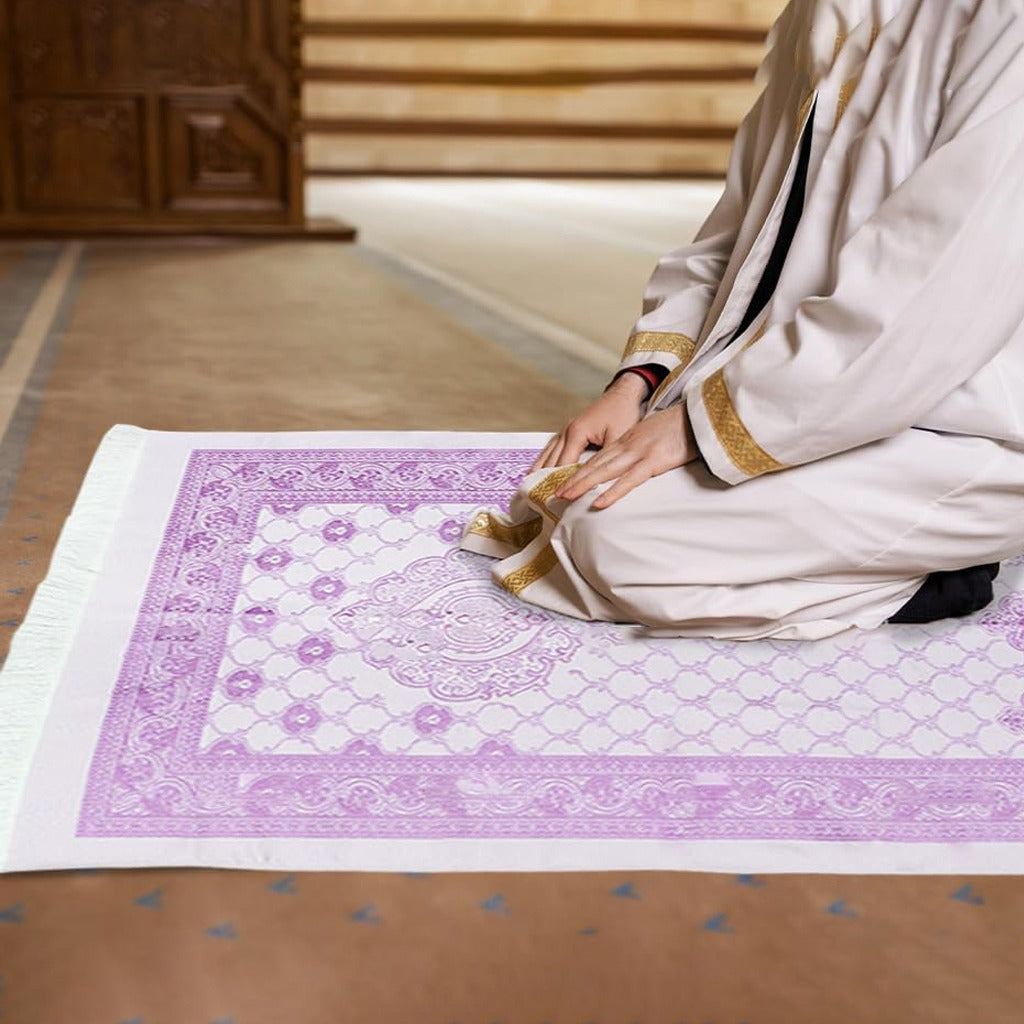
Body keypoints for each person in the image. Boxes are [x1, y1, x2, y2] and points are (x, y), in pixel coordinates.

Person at [461, 0, 1024, 641]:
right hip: (816, 394)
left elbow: (929, 301)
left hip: (963, 424)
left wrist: (702, 428)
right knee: (564, 494)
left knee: (615, 538)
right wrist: (639, 383)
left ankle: (946, 568)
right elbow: (733, 240)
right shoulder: (819, 13)